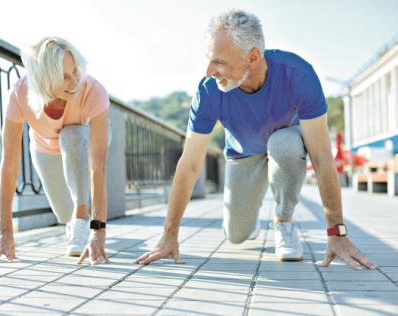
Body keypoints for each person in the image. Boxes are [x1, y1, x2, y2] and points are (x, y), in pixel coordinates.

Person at [137, 9, 376, 270]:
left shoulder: (298, 75)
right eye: (208, 60)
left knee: (283, 144)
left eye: (219, 62)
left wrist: (337, 233)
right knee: (235, 235)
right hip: (243, 153)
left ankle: (284, 221)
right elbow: (190, 164)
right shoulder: (208, 91)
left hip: (285, 145)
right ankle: (249, 213)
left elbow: (321, 157)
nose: (208, 72)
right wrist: (169, 235)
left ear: (252, 57)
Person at [0, 37, 109, 265]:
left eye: (76, 72)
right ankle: (74, 218)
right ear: (45, 79)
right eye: (64, 77)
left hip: (81, 141)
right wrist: (5, 230)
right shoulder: (20, 93)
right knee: (62, 213)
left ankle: (82, 216)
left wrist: (98, 230)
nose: (74, 82)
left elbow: (97, 166)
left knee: (72, 135)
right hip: (43, 147)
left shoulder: (93, 91)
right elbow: (9, 163)